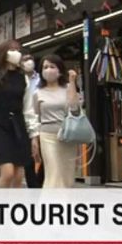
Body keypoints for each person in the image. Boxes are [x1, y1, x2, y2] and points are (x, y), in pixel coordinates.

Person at [0, 40, 41, 188]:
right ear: (3, 53)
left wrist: (34, 136)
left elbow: (28, 108)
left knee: (18, 175)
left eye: (18, 49)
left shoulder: (23, 77)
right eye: (12, 49)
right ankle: (0, 208)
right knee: (8, 172)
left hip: (18, 126)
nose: (16, 53)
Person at [34, 54, 80, 188]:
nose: (48, 70)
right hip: (47, 136)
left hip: (67, 136)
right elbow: (35, 118)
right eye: (45, 67)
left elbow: (75, 109)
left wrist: (72, 82)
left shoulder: (67, 89)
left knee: (67, 175)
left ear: (59, 70)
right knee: (53, 173)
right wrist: (34, 140)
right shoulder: (38, 93)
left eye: (52, 66)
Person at [21, 54, 44, 188]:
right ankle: (33, 185)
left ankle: (39, 181)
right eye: (25, 59)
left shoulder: (42, 80)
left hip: (42, 121)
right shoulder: (18, 80)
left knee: (43, 156)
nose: (29, 62)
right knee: (30, 157)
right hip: (24, 122)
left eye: (30, 58)